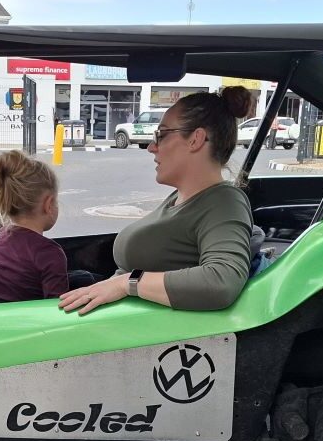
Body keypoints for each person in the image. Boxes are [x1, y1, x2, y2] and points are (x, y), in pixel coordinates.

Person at [59, 86, 262, 315]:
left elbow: (221, 282)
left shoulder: (224, 203)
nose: (152, 148)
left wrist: (128, 283)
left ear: (195, 139)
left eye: (161, 135)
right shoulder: (179, 197)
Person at [0, 150, 71, 303]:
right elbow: (56, 307)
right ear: (48, 204)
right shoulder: (50, 254)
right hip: (21, 317)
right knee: (85, 278)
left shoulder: (2, 234)